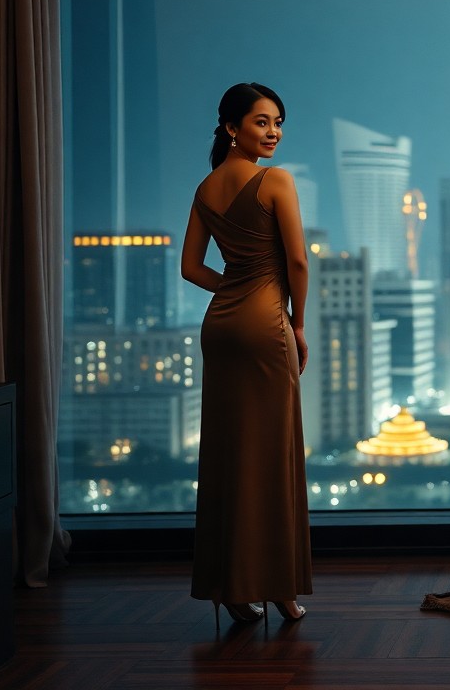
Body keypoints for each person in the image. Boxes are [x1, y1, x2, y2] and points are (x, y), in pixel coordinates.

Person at [181, 82, 312, 628]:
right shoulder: (275, 181)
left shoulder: (206, 188)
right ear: (231, 127)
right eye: (262, 122)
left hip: (223, 326)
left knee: (228, 455)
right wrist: (297, 324)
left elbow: (191, 268)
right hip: (266, 329)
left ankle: (231, 588)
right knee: (275, 456)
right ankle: (279, 587)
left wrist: (236, 287)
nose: (273, 132)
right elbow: (299, 263)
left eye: (278, 122)